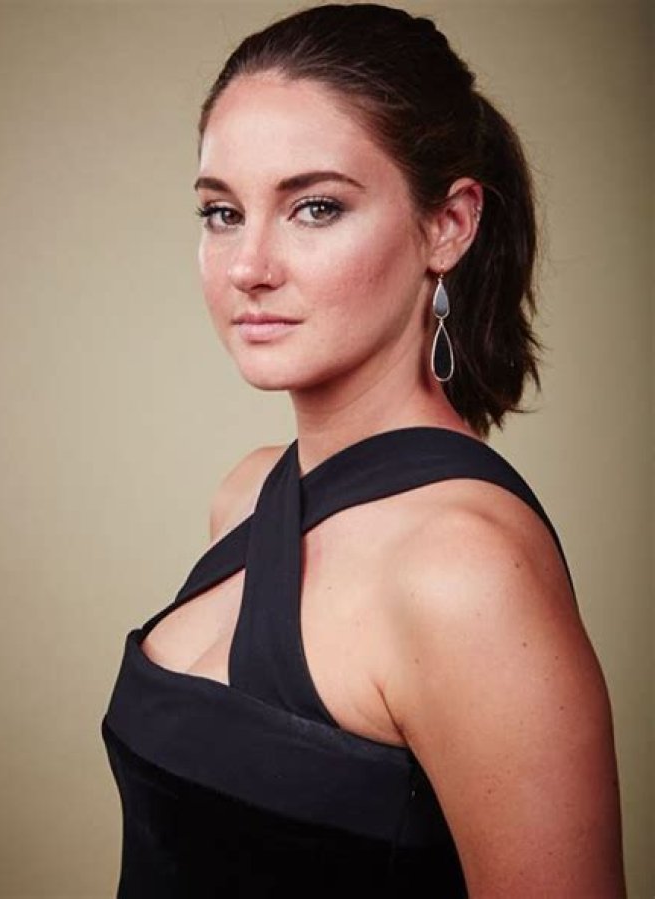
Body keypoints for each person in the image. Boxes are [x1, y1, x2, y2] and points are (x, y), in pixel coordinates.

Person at [101, 3, 626, 895]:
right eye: (222, 212)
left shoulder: (464, 571)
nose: (248, 266)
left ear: (448, 224)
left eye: (314, 207)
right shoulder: (249, 494)